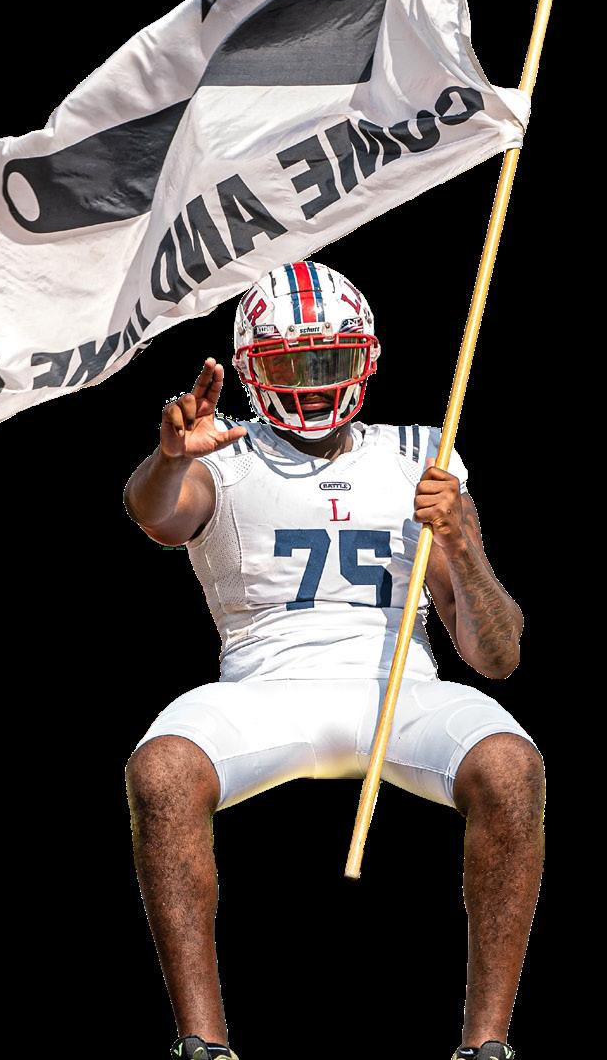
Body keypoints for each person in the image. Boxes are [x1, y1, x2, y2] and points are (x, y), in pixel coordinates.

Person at [123, 261, 544, 1060]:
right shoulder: (223, 453)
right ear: (251, 369)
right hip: (263, 686)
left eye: (331, 361)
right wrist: (170, 457)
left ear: (367, 356)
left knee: (512, 767)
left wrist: (458, 541)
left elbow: (495, 656)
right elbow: (158, 517)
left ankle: (487, 1042)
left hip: (402, 689)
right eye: (292, 367)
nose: (315, 385)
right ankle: (202, 1040)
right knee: (161, 772)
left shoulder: (424, 456)